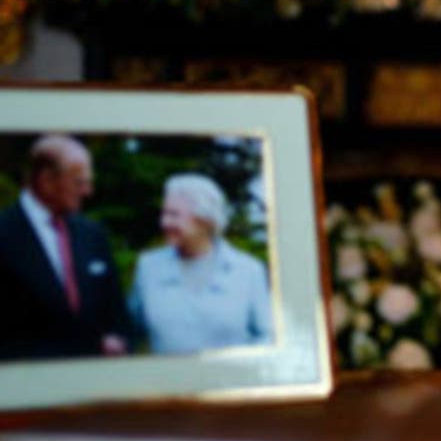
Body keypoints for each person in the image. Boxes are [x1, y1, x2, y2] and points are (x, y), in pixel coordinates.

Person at [0, 135, 131, 359]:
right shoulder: (5, 234)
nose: (88, 191)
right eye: (79, 182)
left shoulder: (92, 234)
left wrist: (119, 340)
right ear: (46, 180)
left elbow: (117, 314)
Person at [129, 173, 273, 354]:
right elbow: (129, 330)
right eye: (164, 213)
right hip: (166, 381)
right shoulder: (148, 267)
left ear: (204, 221)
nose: (164, 222)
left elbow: (267, 337)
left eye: (174, 215)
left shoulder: (249, 271)